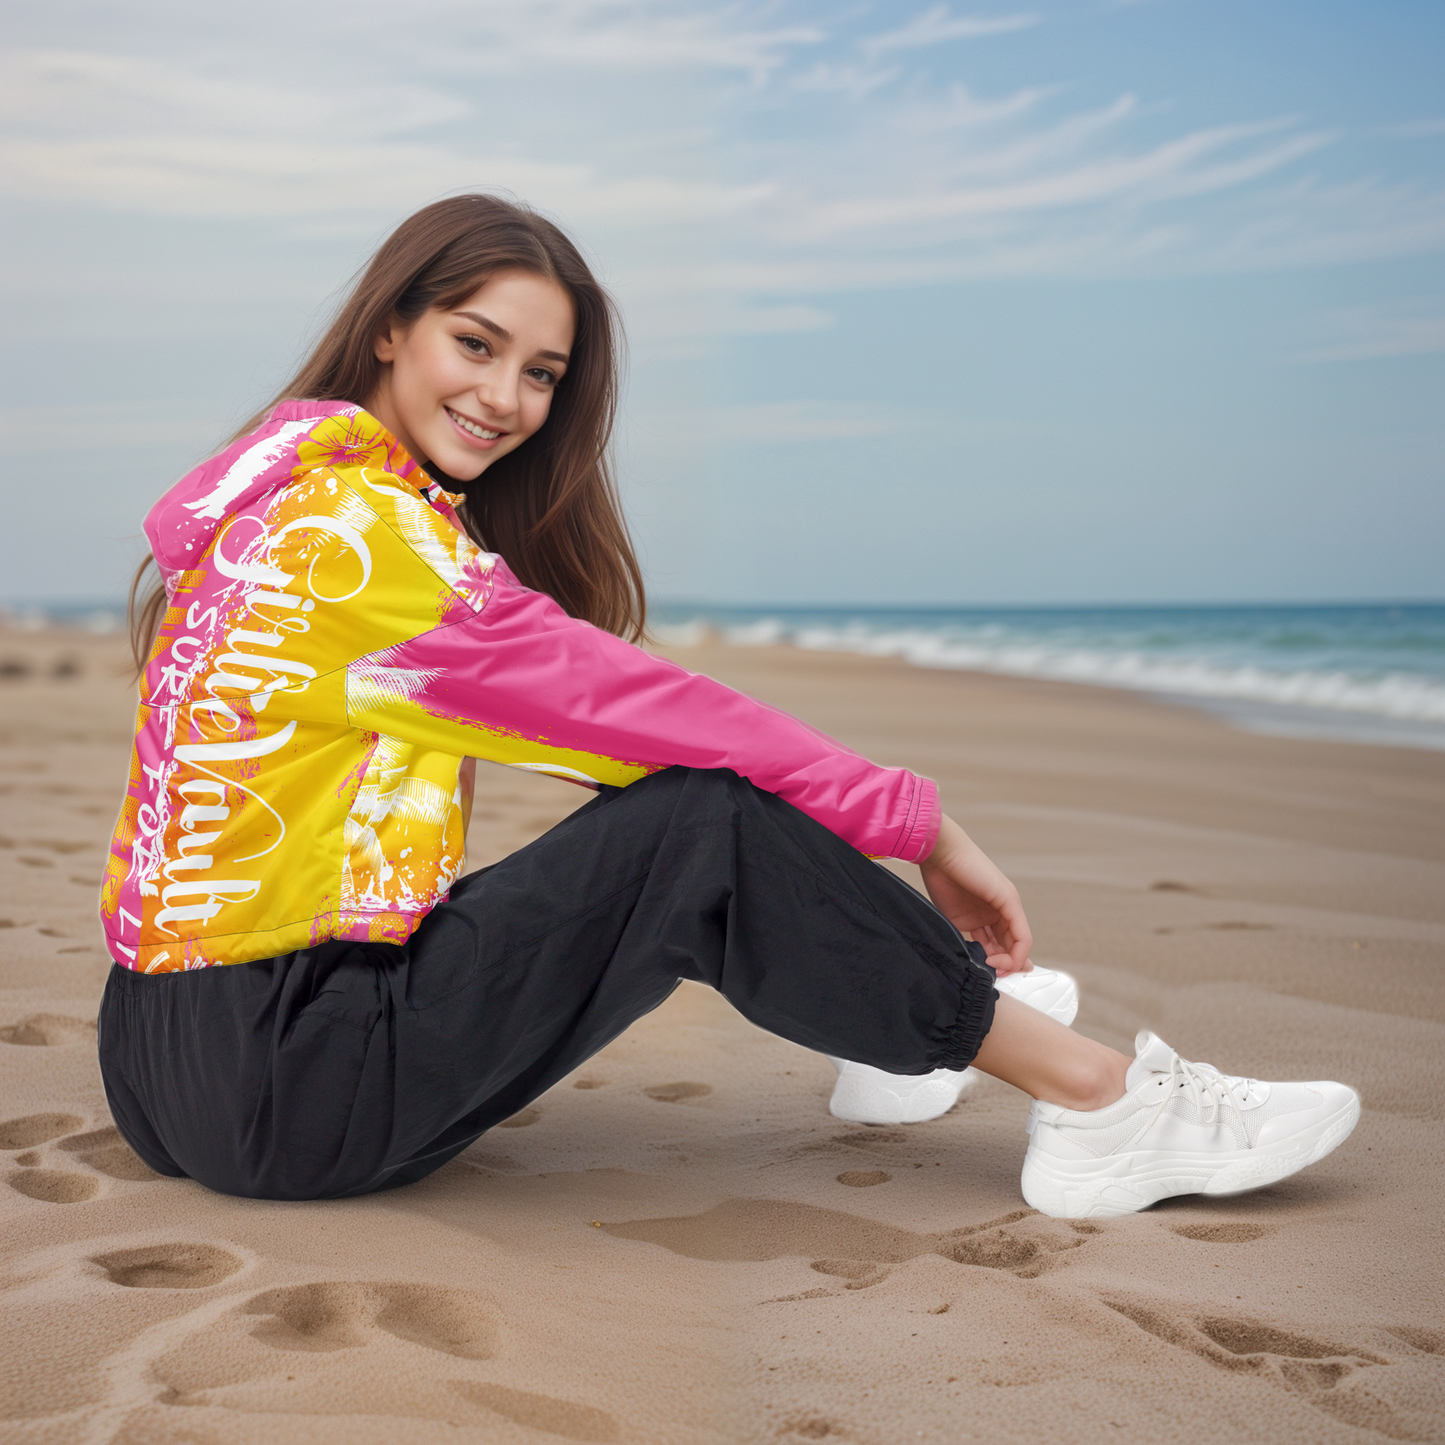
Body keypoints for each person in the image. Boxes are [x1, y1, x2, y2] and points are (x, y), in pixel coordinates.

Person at [100, 195, 1359, 1219]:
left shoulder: (281, 504)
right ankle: (1100, 1101)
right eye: (473, 344)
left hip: (160, 1059)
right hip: (293, 1083)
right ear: (391, 328)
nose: (505, 398)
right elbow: (652, 711)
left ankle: (884, 1022)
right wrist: (923, 829)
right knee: (698, 814)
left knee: (669, 801)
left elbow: (610, 745)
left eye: (540, 372)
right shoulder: (372, 547)